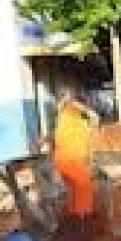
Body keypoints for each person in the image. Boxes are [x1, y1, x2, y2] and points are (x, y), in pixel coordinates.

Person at [41, 93, 100, 222]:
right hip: (70, 161)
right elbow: (62, 108)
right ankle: (81, 217)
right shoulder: (66, 117)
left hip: (69, 161)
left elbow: (94, 118)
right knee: (84, 188)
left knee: (75, 189)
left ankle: (75, 215)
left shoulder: (81, 122)